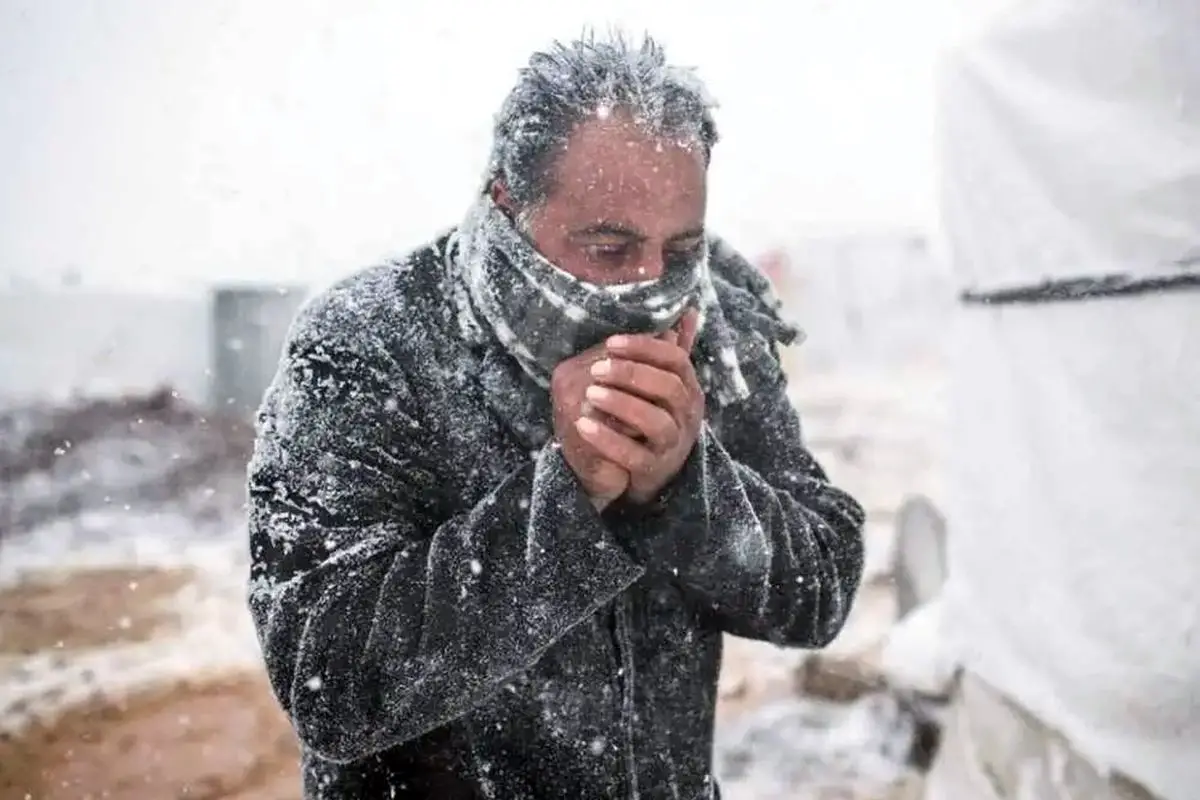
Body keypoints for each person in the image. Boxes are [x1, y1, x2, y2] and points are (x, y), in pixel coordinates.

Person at [247, 31, 865, 800]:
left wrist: (683, 489)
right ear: (509, 202)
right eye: (608, 248)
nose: (648, 285)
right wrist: (569, 498)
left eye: (679, 251)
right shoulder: (368, 342)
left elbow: (821, 587)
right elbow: (328, 683)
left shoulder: (716, 325)